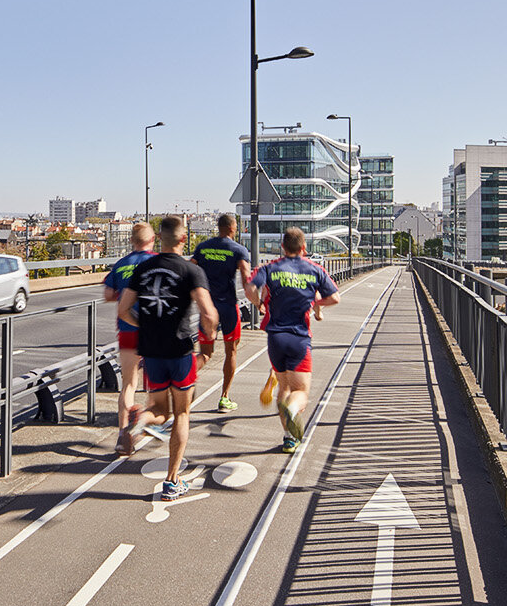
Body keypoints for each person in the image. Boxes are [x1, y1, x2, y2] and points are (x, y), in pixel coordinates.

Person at [118, 215, 218, 499]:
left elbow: (123, 310)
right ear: (183, 239)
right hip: (180, 350)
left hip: (151, 352)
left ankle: (138, 422)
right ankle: (172, 481)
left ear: (159, 238)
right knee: (181, 414)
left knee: (160, 411)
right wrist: (208, 337)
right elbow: (208, 314)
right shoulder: (191, 271)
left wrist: (146, 326)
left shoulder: (144, 268)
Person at [250, 227, 340, 453]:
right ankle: (291, 410)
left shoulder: (270, 268)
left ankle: (289, 438)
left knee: (284, 387)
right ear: (304, 248)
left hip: (275, 339)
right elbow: (335, 297)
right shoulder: (314, 269)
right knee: (301, 393)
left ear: (282, 246)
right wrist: (316, 305)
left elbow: (251, 287)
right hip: (299, 338)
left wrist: (259, 304)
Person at [191, 213, 255, 412]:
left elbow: (189, 269)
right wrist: (258, 302)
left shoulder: (203, 247)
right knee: (231, 351)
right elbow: (246, 278)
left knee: (206, 354)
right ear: (232, 228)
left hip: (207, 308)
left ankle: (182, 376)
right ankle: (224, 397)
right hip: (228, 307)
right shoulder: (238, 250)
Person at [103, 222, 156, 455]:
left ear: (132, 241)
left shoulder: (122, 264)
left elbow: (107, 294)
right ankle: (146, 421)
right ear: (152, 240)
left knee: (128, 384)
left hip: (127, 329)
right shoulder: (156, 261)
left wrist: (125, 296)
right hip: (155, 330)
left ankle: (123, 434)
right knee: (155, 382)